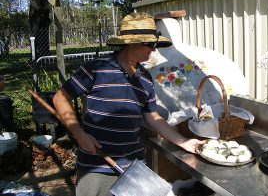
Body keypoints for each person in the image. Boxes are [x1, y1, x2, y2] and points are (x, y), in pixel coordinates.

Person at [53, 12, 205, 196]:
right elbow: (60, 98)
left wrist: (185, 142)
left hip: (134, 166)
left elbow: (153, 118)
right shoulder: (96, 68)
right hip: (96, 166)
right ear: (131, 42)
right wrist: (79, 134)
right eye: (149, 44)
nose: (154, 49)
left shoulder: (145, 79)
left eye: (155, 44)